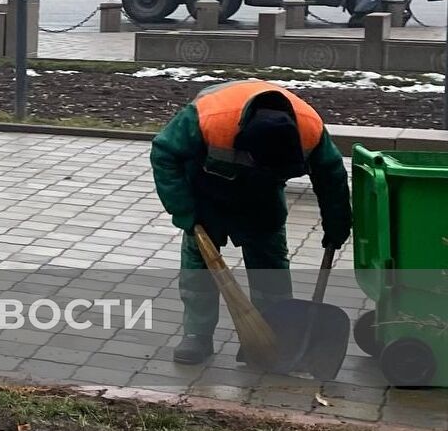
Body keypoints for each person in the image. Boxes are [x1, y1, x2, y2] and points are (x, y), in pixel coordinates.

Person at [150, 81, 352, 364]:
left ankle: (275, 334)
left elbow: (331, 178)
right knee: (199, 267)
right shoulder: (209, 118)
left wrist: (337, 222)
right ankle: (197, 335)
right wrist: (183, 209)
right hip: (208, 189)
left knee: (270, 266)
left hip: (263, 197)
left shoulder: (310, 130)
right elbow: (163, 153)